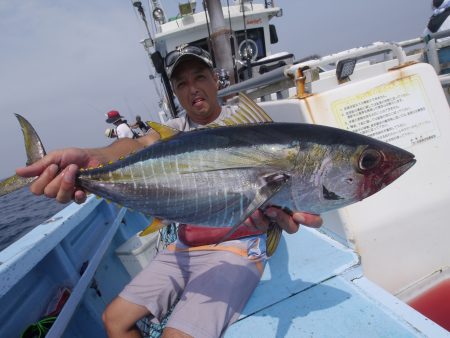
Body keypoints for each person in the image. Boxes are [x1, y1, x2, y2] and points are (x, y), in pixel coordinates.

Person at [16, 45, 323, 338]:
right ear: (175, 92)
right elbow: (135, 145)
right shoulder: (174, 130)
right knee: (114, 320)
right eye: (182, 83)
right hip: (184, 248)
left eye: (200, 77)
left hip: (236, 249)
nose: (193, 89)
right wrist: (93, 157)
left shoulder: (251, 127)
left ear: (215, 79)